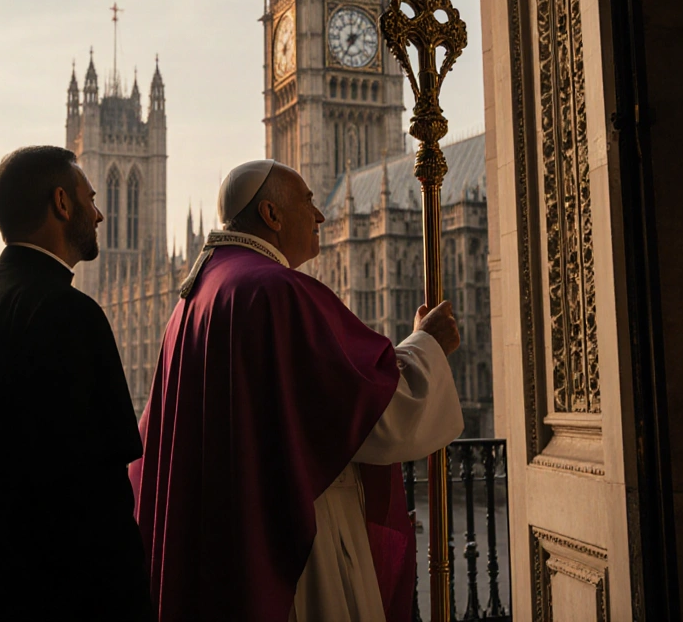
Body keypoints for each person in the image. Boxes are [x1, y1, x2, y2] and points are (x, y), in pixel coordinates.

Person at [132, 159, 463, 622]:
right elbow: (373, 415)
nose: (321, 215)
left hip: (222, 529)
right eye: (308, 201)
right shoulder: (275, 290)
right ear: (271, 214)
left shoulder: (199, 293)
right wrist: (426, 344)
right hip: (287, 536)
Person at [0, 146, 152, 621]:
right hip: (44, 595)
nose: (99, 214)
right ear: (62, 204)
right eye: (91, 198)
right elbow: (101, 494)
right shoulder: (71, 313)